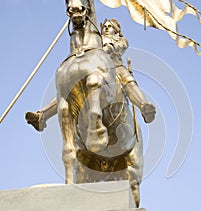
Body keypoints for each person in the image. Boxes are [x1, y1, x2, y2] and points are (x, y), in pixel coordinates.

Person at [25, 18, 155, 131]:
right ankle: (42, 116)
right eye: (105, 26)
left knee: (127, 80)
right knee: (70, 89)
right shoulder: (96, 39)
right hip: (95, 67)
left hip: (114, 66)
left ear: (116, 31)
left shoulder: (120, 39)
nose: (106, 28)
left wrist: (108, 47)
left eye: (110, 26)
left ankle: (144, 106)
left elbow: (120, 46)